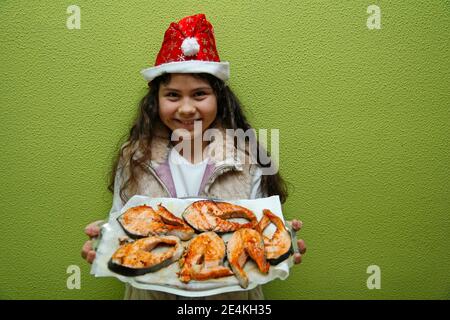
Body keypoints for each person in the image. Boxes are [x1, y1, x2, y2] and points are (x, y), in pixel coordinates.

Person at [81, 13, 306, 300]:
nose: (186, 109)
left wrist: (284, 240)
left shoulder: (247, 157)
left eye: (199, 94)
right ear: (156, 101)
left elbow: (260, 229)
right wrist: (103, 239)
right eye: (173, 95)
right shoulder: (134, 158)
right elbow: (122, 224)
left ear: (219, 99)